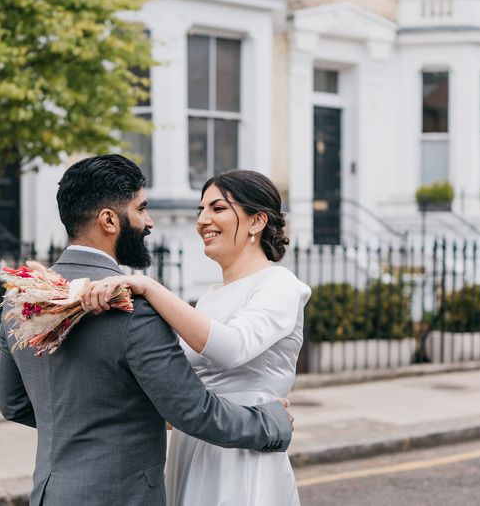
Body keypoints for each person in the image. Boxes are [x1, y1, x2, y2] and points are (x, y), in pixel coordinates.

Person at [0, 155, 294, 506]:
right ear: (109, 220)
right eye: (141, 209)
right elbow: (194, 411)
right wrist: (272, 422)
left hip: (50, 495)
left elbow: (13, 404)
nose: (149, 222)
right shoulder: (132, 309)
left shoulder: (23, 301)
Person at [83, 169, 311, 506]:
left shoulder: (280, 285)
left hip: (242, 454)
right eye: (200, 211)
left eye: (217, 209)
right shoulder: (208, 299)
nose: (203, 220)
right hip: (192, 447)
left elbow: (233, 348)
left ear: (257, 221)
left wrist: (148, 286)